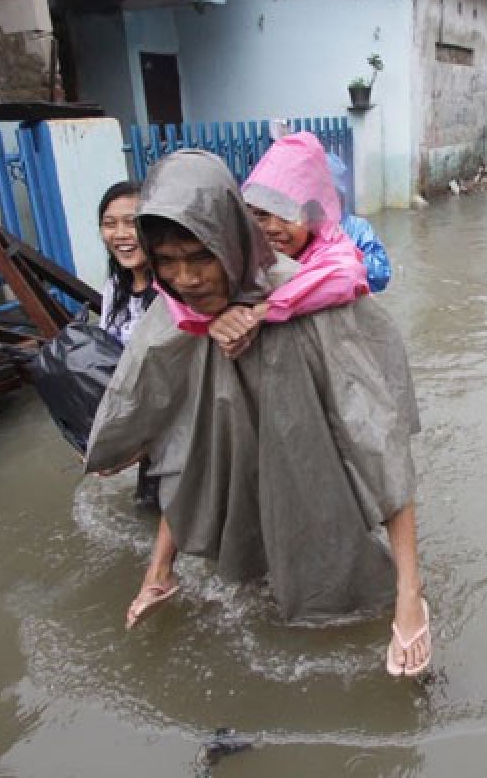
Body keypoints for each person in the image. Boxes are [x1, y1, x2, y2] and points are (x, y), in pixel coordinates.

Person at [85, 146, 431, 677]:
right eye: (168, 262)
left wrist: (409, 595)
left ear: (230, 240)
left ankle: (408, 593)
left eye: (200, 257)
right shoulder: (177, 307)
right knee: (201, 452)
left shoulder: (308, 294)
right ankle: (162, 572)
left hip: (310, 444)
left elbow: (379, 447)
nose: (188, 277)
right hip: (242, 446)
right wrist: (158, 564)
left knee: (336, 513)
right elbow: (185, 445)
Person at [96, 181, 154, 345]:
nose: (120, 234)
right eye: (110, 224)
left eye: (131, 223)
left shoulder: (175, 289)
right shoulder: (115, 286)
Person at [326, 153, 392, 292]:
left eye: (332, 194)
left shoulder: (358, 228)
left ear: (342, 196)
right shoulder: (304, 228)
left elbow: (381, 275)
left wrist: (348, 256)